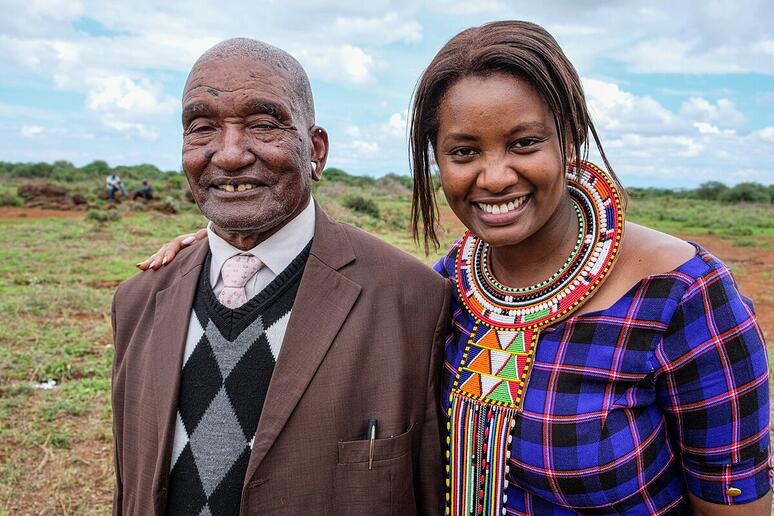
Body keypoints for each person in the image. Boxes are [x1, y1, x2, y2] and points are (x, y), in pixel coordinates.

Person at [148, 22, 771, 515]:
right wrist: (223, 254)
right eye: (464, 151)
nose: (494, 176)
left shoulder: (682, 297)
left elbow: (734, 504)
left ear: (569, 139)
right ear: (437, 161)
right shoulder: (443, 291)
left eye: (524, 143)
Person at [111, 38, 449, 515]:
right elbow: (131, 488)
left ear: (315, 149)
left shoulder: (412, 300)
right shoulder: (138, 301)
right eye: (202, 127)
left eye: (263, 124)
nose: (228, 155)